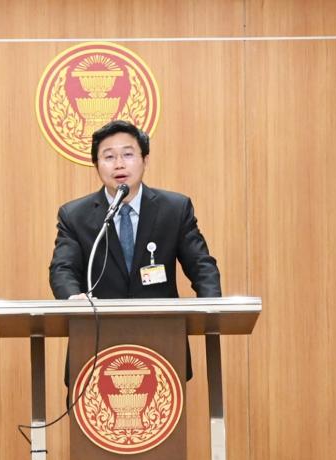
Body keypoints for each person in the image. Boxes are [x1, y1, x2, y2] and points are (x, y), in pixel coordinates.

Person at [49, 120, 221, 382]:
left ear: (145, 160)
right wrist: (72, 298)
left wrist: (213, 311)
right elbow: (63, 268)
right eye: (109, 157)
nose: (119, 164)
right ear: (96, 165)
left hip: (163, 342)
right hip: (95, 344)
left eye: (128, 154)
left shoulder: (174, 209)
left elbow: (201, 265)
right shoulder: (75, 215)